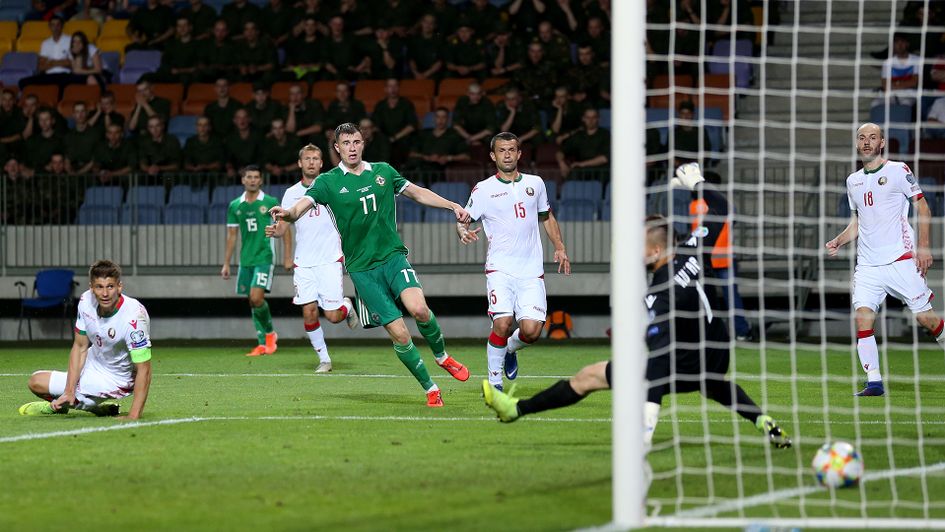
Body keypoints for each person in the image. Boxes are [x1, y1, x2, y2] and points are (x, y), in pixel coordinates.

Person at [483, 187, 792, 452]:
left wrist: (648, 410)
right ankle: (764, 421)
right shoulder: (695, 247)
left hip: (679, 360)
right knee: (712, 385)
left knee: (594, 376)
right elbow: (721, 207)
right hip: (716, 354)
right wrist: (696, 183)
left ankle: (517, 410)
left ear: (656, 249)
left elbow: (656, 355)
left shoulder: (659, 292)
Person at [270, 122, 472, 407]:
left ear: (363, 144)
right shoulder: (327, 182)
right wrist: (286, 214)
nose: (352, 148)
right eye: (346, 143)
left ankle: (442, 357)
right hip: (362, 270)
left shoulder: (383, 172)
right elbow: (298, 209)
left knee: (420, 309)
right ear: (337, 148)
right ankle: (430, 388)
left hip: (392, 257)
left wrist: (452, 205)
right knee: (400, 333)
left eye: (356, 142)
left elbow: (417, 192)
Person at [825, 123, 945, 396]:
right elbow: (857, 222)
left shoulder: (899, 170)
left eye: (872, 138)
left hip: (900, 259)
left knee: (927, 320)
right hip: (867, 265)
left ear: (882, 143)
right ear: (857, 144)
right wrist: (838, 240)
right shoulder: (852, 181)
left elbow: (923, 207)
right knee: (862, 318)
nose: (867, 142)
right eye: (862, 138)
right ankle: (874, 382)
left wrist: (923, 248)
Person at [457, 132, 570, 391]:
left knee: (531, 331)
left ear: (519, 154)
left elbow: (547, 217)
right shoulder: (483, 189)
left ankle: (509, 348)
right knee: (503, 323)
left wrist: (560, 247)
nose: (507, 154)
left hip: (531, 271)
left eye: (511, 150)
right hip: (500, 269)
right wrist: (462, 231)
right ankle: (494, 384)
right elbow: (464, 220)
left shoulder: (536, 183)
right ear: (492, 156)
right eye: (502, 150)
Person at [265, 144, 360, 373]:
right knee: (308, 311)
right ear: (300, 163)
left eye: (315, 158)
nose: (311, 162)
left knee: (333, 316)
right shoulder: (291, 193)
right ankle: (324, 359)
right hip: (304, 262)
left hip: (329, 260)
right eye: (307, 158)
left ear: (321, 163)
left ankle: (346, 306)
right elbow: (283, 227)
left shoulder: (332, 186)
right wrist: (275, 231)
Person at [19, 260, 153, 420]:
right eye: (99, 287)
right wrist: (69, 389)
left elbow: (144, 369)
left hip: (117, 378)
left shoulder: (133, 318)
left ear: (119, 287)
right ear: (91, 287)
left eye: (110, 286)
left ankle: (81, 405)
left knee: (74, 399)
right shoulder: (85, 301)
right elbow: (80, 346)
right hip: (93, 361)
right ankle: (92, 407)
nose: (105, 294)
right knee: (35, 381)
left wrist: (133, 415)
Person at [222, 165, 283, 357]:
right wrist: (226, 263)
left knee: (257, 298)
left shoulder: (270, 201)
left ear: (261, 180)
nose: (253, 180)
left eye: (256, 177)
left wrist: (287, 253)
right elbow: (232, 236)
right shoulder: (235, 205)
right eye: (249, 177)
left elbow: (283, 227)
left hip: (264, 256)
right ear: (243, 180)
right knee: (252, 301)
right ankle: (262, 343)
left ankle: (270, 334)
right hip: (246, 259)